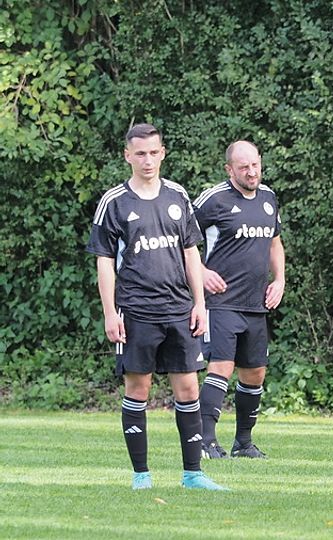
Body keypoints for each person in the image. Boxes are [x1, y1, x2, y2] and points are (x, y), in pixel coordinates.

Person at [86, 123, 227, 490]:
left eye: (153, 152)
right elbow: (104, 261)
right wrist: (109, 312)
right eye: (140, 154)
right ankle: (141, 475)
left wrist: (200, 303)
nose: (147, 160)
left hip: (179, 308)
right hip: (135, 310)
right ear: (127, 156)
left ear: (163, 153)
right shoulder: (114, 202)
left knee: (189, 389)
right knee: (138, 389)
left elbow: (191, 252)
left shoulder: (178, 195)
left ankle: (193, 474)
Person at [193, 140, 284, 459]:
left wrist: (279, 280)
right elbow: (179, 239)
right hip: (220, 301)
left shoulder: (268, 197)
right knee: (221, 366)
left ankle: (243, 443)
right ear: (229, 169)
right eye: (244, 167)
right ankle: (204, 441)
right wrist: (201, 272)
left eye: (255, 165)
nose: (251, 172)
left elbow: (275, 243)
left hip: (255, 304)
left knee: (255, 372)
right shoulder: (213, 199)